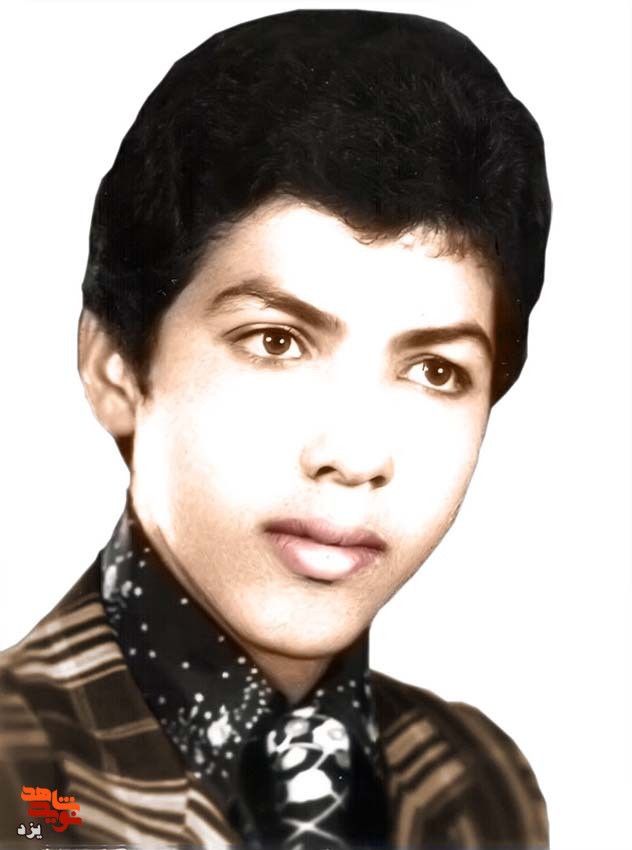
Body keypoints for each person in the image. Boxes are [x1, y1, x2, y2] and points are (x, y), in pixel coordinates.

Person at [0, 9, 551, 849]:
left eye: (436, 371)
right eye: (276, 342)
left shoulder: (476, 782)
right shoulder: (22, 789)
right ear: (114, 365)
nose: (355, 456)